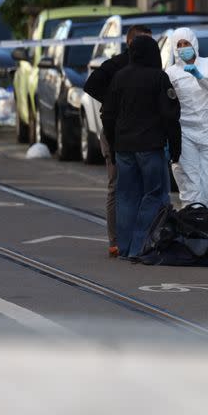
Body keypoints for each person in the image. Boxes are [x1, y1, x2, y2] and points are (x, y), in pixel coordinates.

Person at [101, 35, 182, 258]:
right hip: (150, 147)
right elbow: (170, 116)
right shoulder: (158, 78)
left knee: (126, 196)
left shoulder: (119, 77)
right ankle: (140, 246)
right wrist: (176, 148)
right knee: (153, 194)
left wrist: (114, 143)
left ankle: (125, 247)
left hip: (124, 148)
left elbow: (107, 114)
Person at [84, 25, 153, 258]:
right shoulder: (117, 64)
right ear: (130, 42)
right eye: (144, 42)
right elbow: (91, 84)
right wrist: (113, 102)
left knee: (140, 186)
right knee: (117, 184)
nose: (150, 47)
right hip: (115, 132)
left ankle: (140, 237)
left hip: (141, 133)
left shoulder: (152, 65)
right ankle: (116, 240)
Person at [165, 27, 208, 212]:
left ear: (194, 44)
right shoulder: (171, 73)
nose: (184, 48)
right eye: (180, 45)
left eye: (187, 43)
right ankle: (192, 235)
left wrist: (199, 76)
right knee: (191, 187)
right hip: (185, 134)